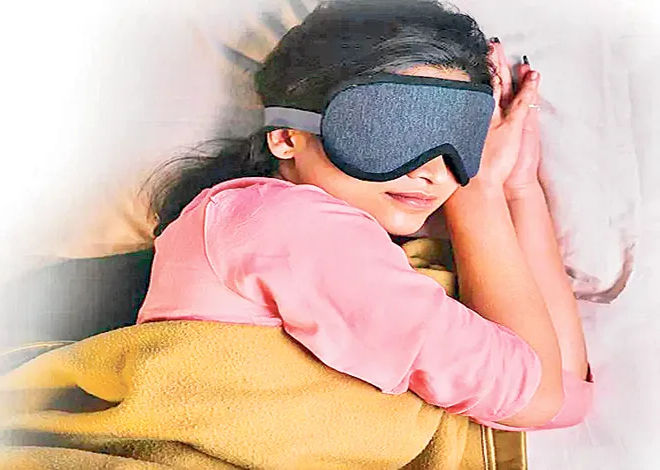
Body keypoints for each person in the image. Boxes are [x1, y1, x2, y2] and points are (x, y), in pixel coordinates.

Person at [138, 0, 592, 431]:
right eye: (391, 129)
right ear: (286, 136)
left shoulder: (303, 232)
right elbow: (540, 397)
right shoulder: (285, 224)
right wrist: (479, 194)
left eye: (462, 139)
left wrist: (518, 187)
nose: (434, 173)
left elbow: (558, 381)